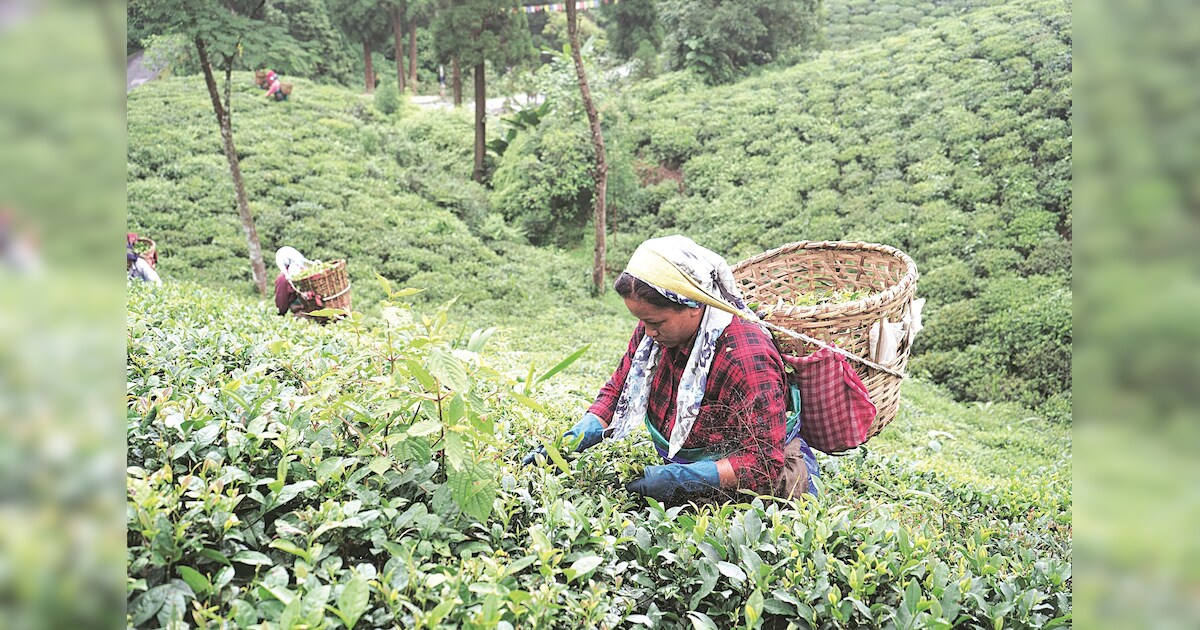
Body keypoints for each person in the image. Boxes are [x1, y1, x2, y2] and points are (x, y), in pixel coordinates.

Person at [523, 235, 819, 504]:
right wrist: (573, 439)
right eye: (642, 322)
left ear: (693, 305)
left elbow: (763, 464)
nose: (648, 332)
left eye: (655, 322)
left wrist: (682, 478)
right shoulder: (654, 335)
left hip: (766, 486)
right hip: (696, 469)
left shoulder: (744, 356)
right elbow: (619, 391)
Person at [274, 246, 311, 316]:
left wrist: (280, 314)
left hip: (302, 314)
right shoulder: (307, 270)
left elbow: (281, 304)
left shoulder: (283, 279)